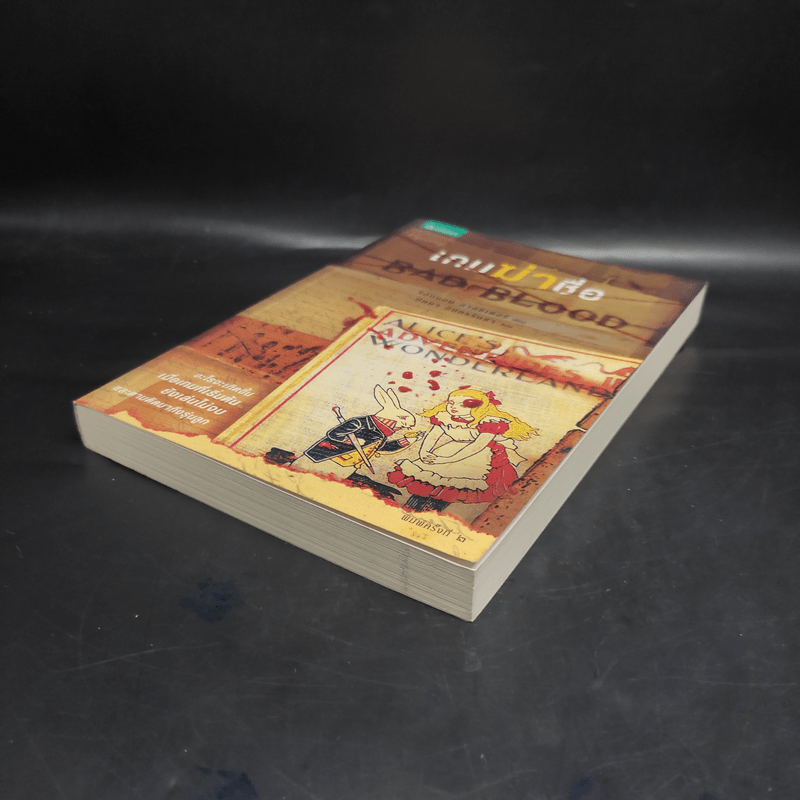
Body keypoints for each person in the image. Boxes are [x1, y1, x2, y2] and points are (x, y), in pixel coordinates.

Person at [388, 388, 538, 512]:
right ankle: (410, 510)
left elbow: (476, 446)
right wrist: (424, 452)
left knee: (452, 486)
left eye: (463, 405)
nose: (453, 407)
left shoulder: (489, 422)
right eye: (451, 403)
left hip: (480, 456)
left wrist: (447, 459)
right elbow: (432, 437)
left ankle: (429, 512)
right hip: (450, 450)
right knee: (428, 481)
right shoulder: (444, 417)